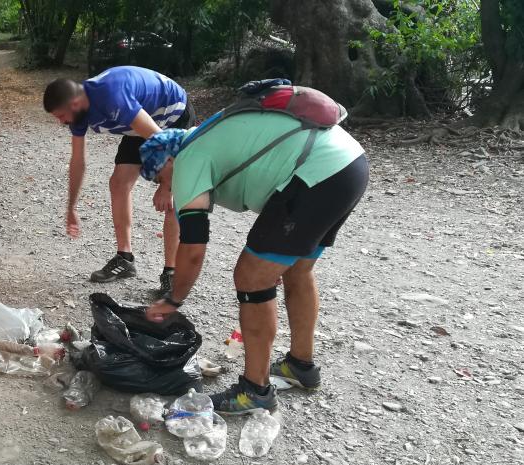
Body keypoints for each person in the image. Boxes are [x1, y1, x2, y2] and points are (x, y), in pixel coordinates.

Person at [140, 103, 368, 415]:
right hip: (349, 164)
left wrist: (173, 299)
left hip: (319, 172)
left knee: (251, 276)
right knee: (297, 270)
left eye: (159, 177)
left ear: (167, 160)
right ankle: (300, 365)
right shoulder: (207, 137)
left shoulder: (189, 158)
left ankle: (255, 390)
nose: (164, 185)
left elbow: (193, 248)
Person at [43, 66, 196, 294]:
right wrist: (71, 207)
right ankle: (125, 259)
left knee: (175, 197)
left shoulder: (112, 96)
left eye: (61, 116)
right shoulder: (79, 111)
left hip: (172, 115)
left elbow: (163, 141)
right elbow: (78, 162)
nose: (61, 122)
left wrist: (167, 186)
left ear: (74, 104)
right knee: (118, 183)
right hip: (141, 119)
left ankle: (171, 274)